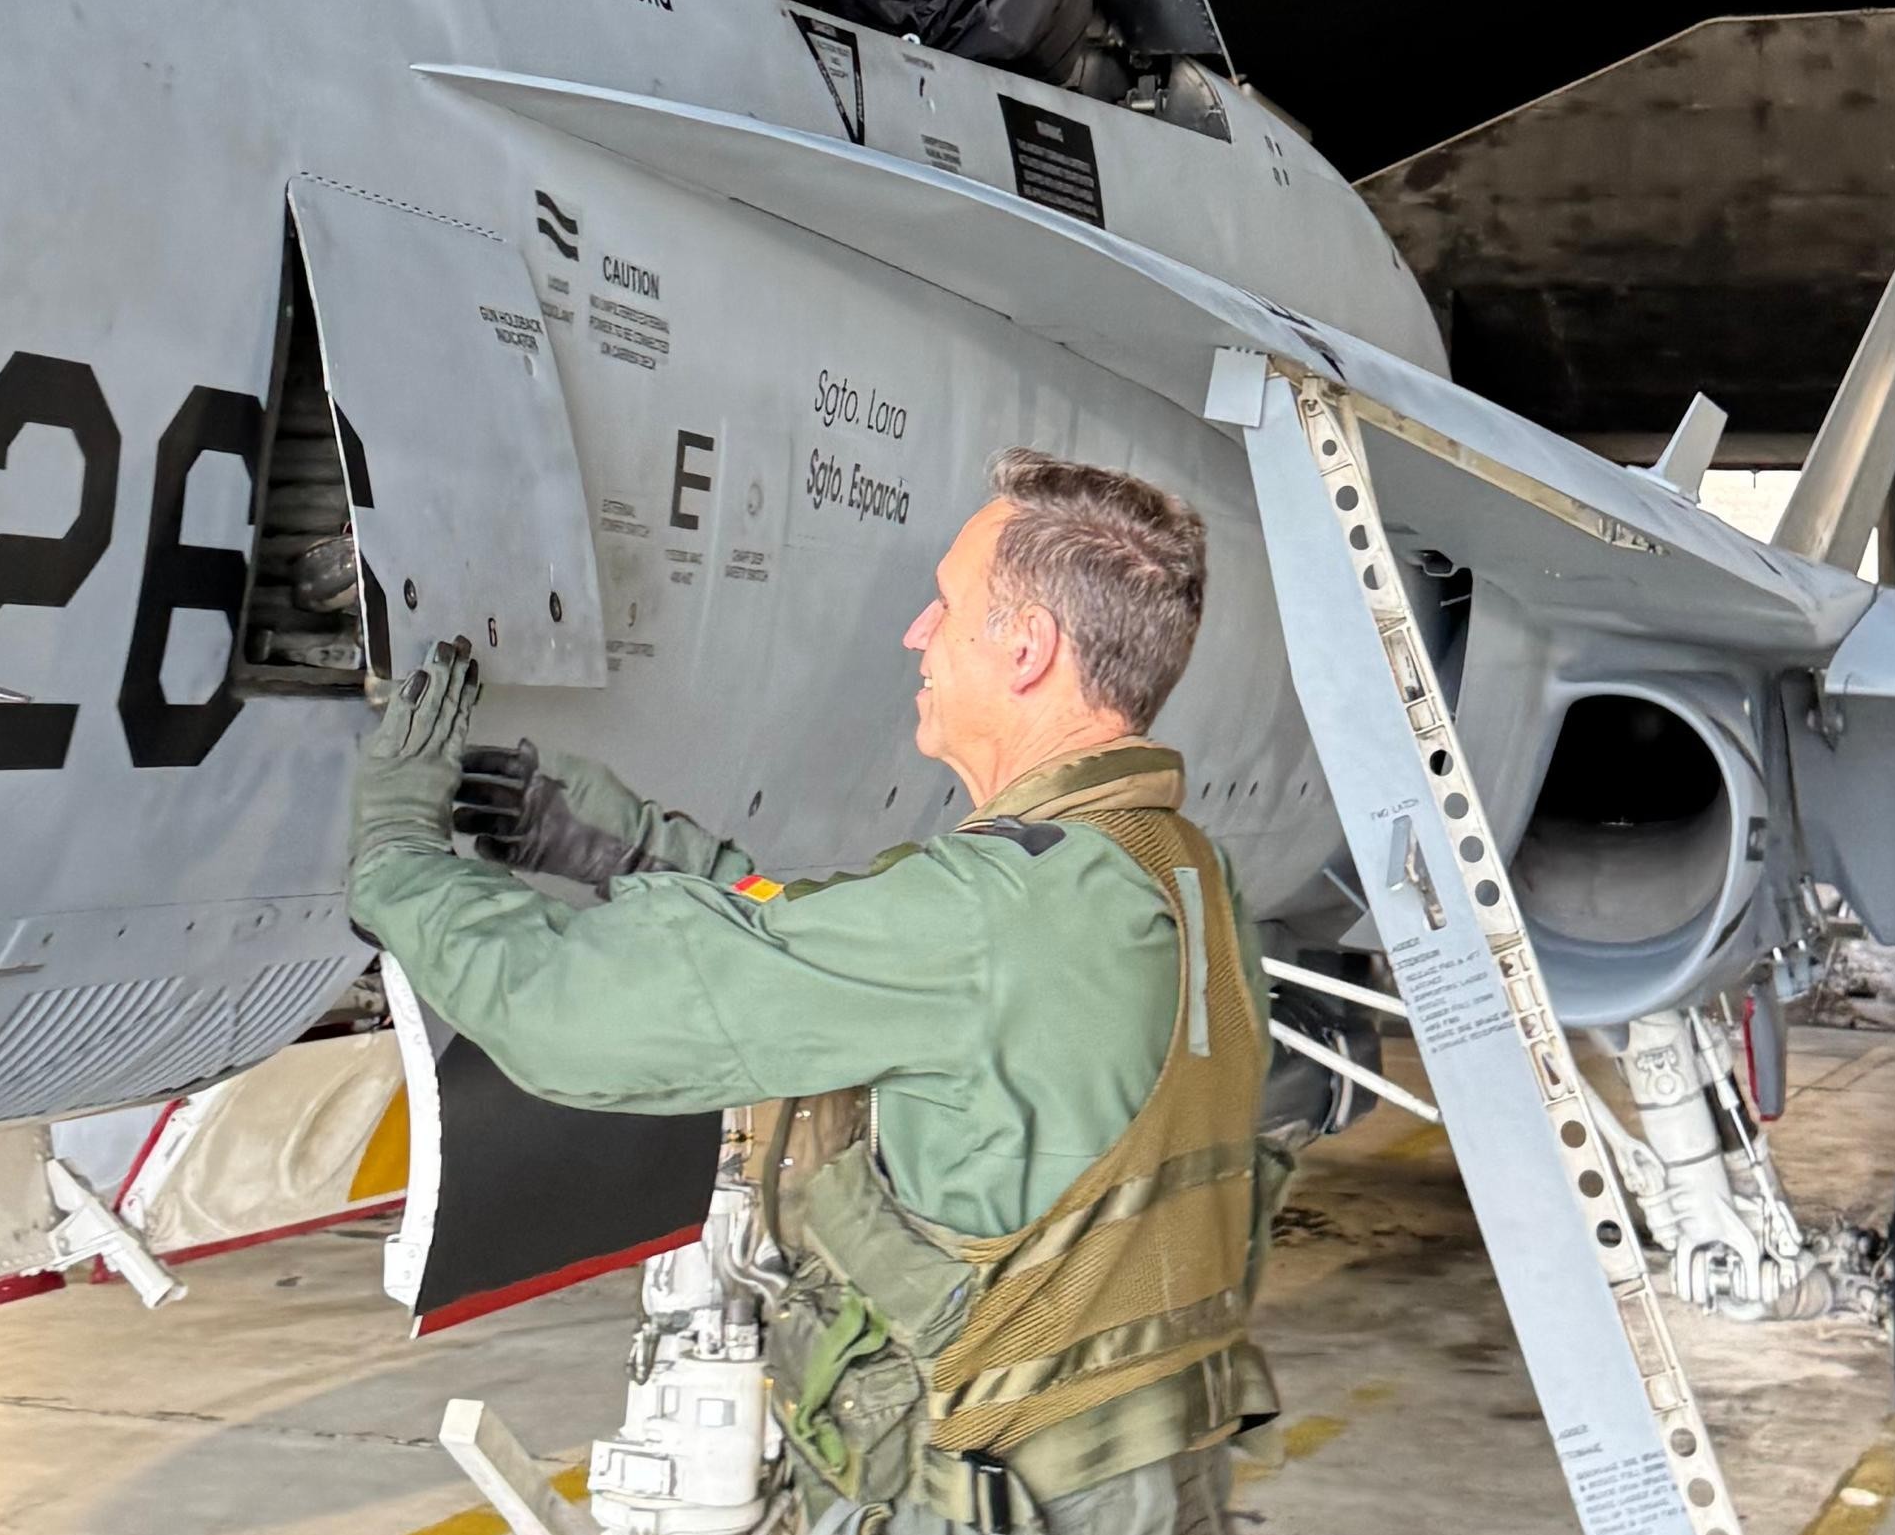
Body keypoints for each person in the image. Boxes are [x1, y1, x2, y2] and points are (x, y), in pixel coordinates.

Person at [351, 453, 1278, 1535]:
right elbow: (836, 943)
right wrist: (648, 851)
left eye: (947, 605)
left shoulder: (990, 913)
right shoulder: (1177, 871)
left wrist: (397, 859)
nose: (916, 635)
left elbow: (575, 1017)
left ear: (1025, 651)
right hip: (1145, 1492)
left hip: (995, 1503)